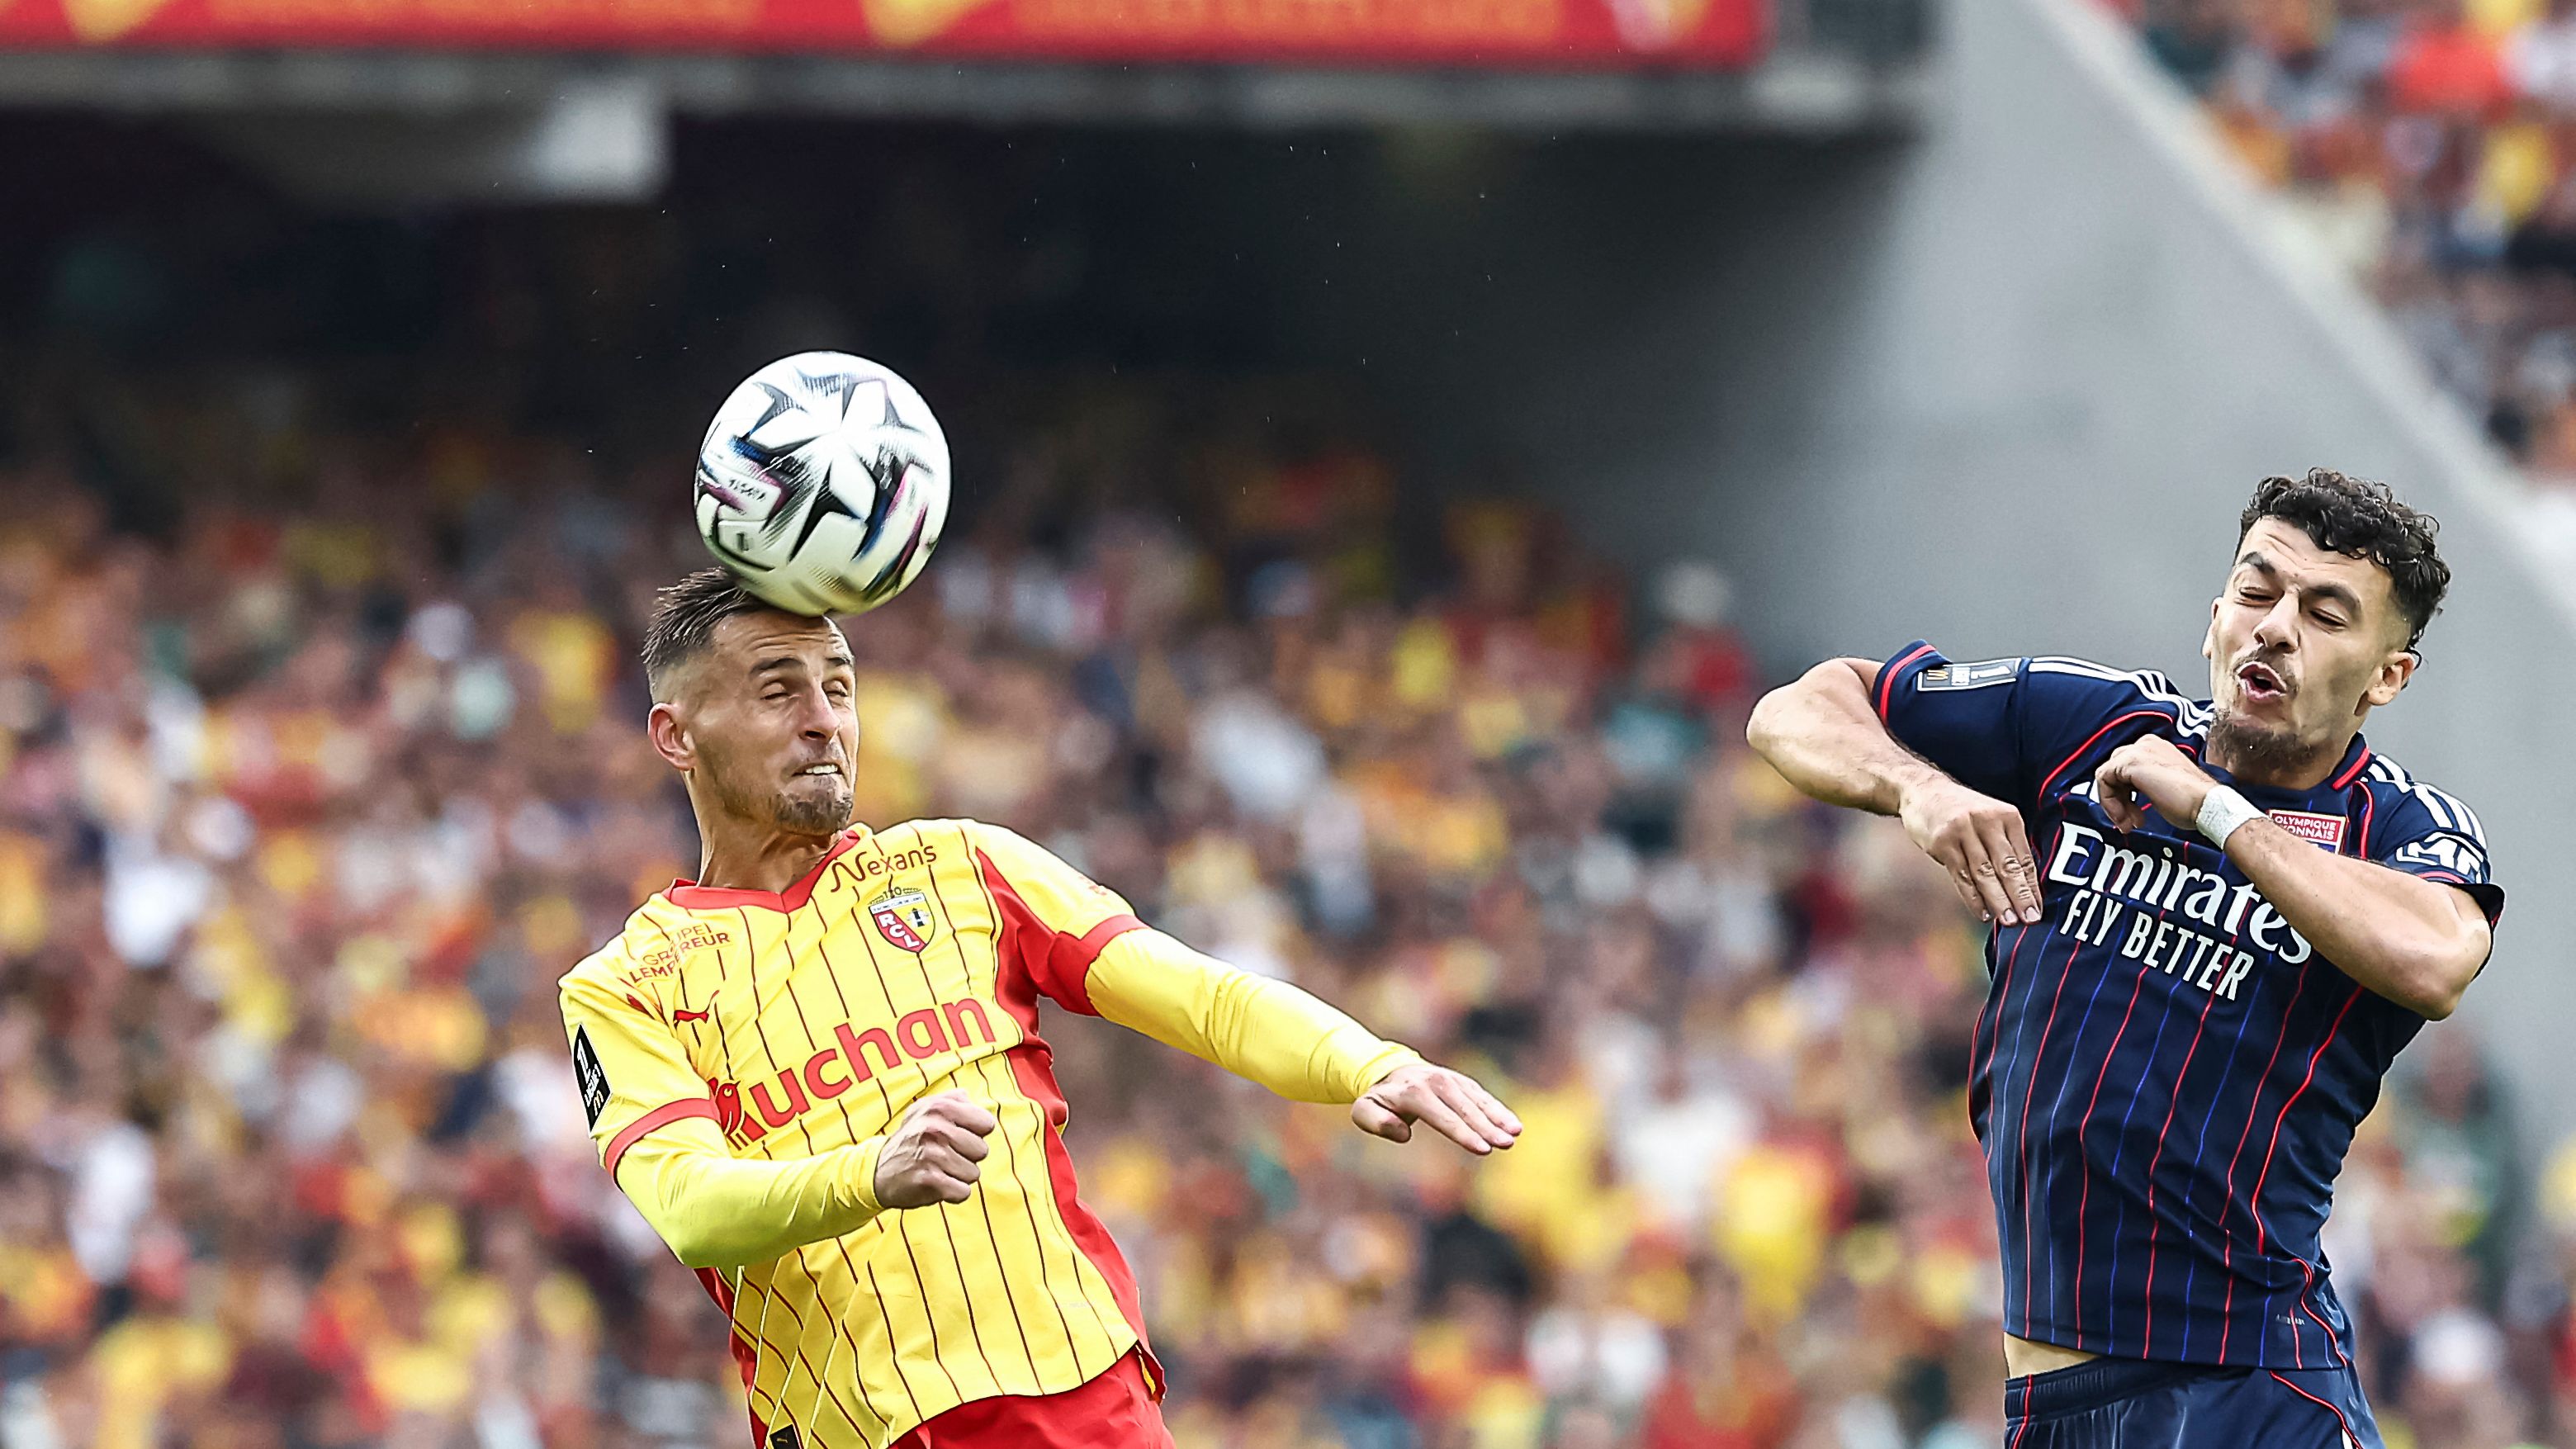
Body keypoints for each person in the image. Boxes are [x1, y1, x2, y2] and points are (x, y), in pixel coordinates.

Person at [559, 568, 1522, 1449]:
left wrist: (1370, 1062)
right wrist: (871, 1174)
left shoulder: (965, 867)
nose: (825, 720)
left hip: (1078, 1404)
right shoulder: (624, 985)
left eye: (840, 687)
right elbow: (690, 1209)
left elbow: (1199, 994)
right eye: (779, 691)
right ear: (676, 734)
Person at [1745, 470, 2502, 1447]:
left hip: (2250, 1391)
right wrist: (1913, 789)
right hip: (2049, 1405)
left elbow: (2437, 957)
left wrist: (2216, 811)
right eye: (2258, 592)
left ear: (2387, 676)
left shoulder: (2398, 826)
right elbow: (1800, 707)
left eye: (2325, 614)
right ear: (2216, 615)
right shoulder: (2089, 722)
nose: (2275, 629)